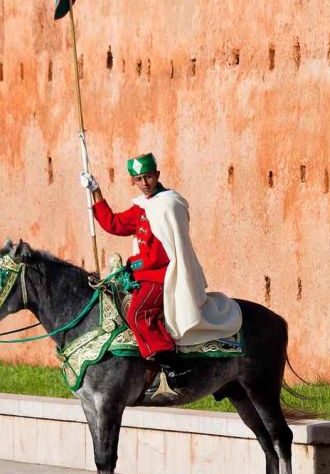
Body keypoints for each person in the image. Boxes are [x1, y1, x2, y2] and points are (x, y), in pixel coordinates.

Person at [79, 153, 241, 384]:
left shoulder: (169, 204)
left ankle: (172, 367)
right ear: (133, 181)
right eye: (138, 179)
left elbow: (162, 255)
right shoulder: (142, 207)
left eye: (148, 177)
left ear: (157, 175)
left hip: (162, 275)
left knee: (138, 313)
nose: (144, 183)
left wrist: (133, 266)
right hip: (142, 276)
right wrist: (96, 191)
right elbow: (114, 224)